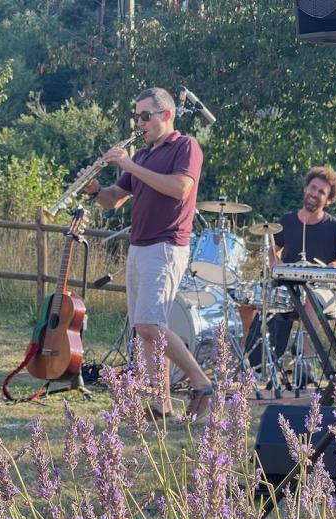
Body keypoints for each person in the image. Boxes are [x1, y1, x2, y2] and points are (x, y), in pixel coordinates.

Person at [81, 87, 213, 418]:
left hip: (166, 245)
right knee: (146, 333)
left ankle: (201, 382)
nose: (139, 123)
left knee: (149, 325)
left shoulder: (185, 146)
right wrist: (95, 189)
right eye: (136, 116)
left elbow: (180, 187)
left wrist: (129, 165)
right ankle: (161, 404)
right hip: (139, 247)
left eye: (145, 116)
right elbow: (114, 198)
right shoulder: (142, 156)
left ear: (166, 115)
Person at [242, 166, 336, 385]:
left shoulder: (335, 227)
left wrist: (333, 265)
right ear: (305, 189)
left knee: (310, 300)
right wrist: (274, 262)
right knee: (247, 297)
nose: (315, 193)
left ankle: (305, 360)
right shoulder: (287, 221)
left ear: (329, 200)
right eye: (313, 187)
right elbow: (274, 251)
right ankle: (250, 356)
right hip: (288, 287)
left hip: (322, 290)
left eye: (322, 191)